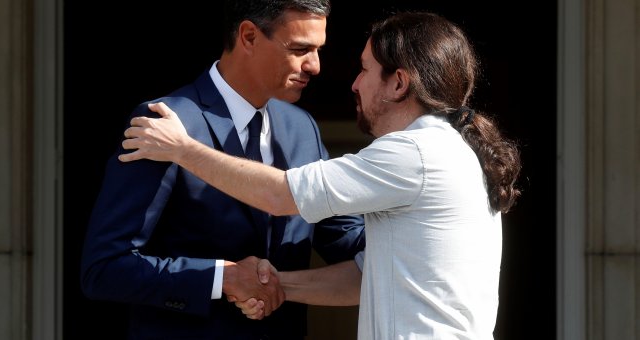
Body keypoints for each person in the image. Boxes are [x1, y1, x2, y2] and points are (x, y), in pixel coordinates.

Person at [118, 10, 522, 339]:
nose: (352, 82)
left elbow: (280, 195)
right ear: (248, 37)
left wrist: (182, 148)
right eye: (300, 48)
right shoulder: (452, 150)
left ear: (399, 83)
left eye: (364, 70)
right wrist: (266, 283)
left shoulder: (414, 152)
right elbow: (365, 275)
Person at [80, 0, 366, 339]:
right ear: (248, 36)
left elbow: (344, 235)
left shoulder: (301, 127)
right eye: (300, 49)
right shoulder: (165, 123)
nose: (315, 66)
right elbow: (105, 268)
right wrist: (220, 278)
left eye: (318, 49)